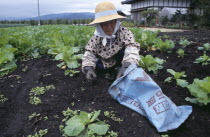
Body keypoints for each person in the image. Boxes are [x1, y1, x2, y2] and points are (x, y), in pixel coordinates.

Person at [82, 1, 140, 81]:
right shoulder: (96, 38)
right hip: (104, 64)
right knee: (97, 65)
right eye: (104, 24)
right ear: (99, 25)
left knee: (124, 54)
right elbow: (89, 54)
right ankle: (109, 72)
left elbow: (131, 49)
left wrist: (126, 66)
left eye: (112, 22)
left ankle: (120, 70)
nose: (109, 27)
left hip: (121, 62)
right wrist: (89, 69)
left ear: (117, 22)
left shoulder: (124, 33)